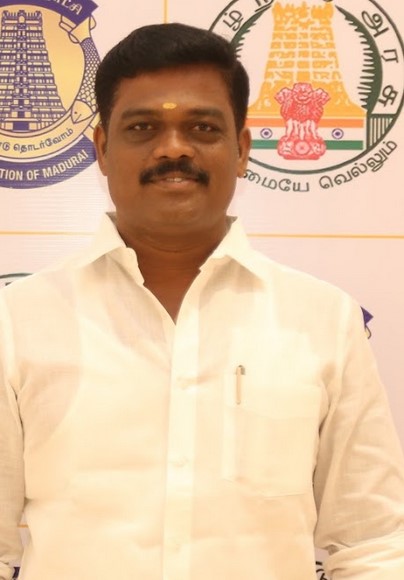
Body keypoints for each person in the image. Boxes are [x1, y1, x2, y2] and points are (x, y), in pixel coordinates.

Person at [1, 22, 404, 580]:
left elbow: (372, 543)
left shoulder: (322, 320)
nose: (173, 148)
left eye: (203, 127)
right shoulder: (18, 321)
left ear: (242, 150)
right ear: (102, 149)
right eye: (143, 127)